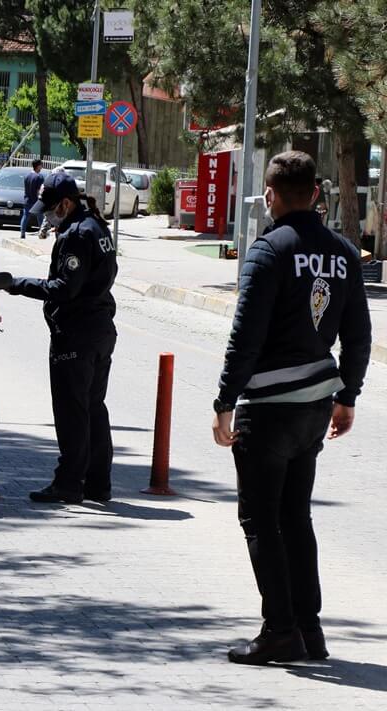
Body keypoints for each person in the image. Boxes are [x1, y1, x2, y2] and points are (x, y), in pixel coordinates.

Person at [212, 151, 371, 666]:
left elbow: (246, 337)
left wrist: (224, 402)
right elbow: (359, 335)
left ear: (273, 196)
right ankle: (309, 628)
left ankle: (280, 630)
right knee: (295, 518)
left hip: (269, 409)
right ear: (318, 195)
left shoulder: (268, 251)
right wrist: (347, 396)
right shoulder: (344, 252)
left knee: (260, 520)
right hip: (313, 408)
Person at [7, 172, 118, 504]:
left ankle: (69, 483)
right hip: (100, 330)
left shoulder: (76, 235)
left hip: (76, 335)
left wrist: (17, 284)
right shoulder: (97, 227)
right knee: (93, 409)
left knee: (72, 413)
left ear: (66, 204)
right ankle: (98, 484)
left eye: (52, 209)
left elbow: (63, 289)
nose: (49, 216)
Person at [20, 159, 45, 239]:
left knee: (25, 216)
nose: (42, 166)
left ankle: (22, 233)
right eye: (41, 165)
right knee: (40, 217)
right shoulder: (39, 177)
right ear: (38, 166)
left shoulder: (27, 176)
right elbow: (39, 190)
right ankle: (41, 233)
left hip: (27, 199)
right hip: (36, 200)